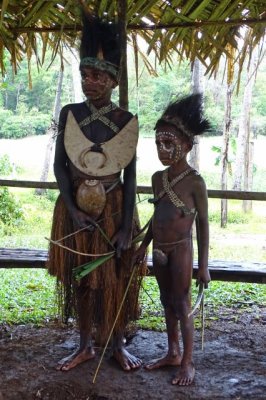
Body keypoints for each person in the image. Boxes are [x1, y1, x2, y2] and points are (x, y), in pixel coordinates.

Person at [47, 15, 143, 372]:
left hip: (115, 206)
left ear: (114, 80)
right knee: (82, 277)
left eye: (98, 76)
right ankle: (85, 344)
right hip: (75, 208)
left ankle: (117, 344)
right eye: (85, 75)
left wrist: (125, 227)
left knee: (114, 277)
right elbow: (60, 166)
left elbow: (131, 177)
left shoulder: (125, 121)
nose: (89, 82)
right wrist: (71, 208)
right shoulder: (70, 113)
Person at [134, 93, 211, 385]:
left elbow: (203, 225)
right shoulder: (157, 178)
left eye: (169, 143)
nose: (162, 149)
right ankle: (173, 352)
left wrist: (203, 266)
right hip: (159, 250)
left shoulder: (195, 182)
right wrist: (143, 247)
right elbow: (158, 219)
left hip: (181, 251)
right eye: (158, 143)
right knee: (167, 303)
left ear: (187, 146)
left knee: (182, 304)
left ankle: (188, 363)